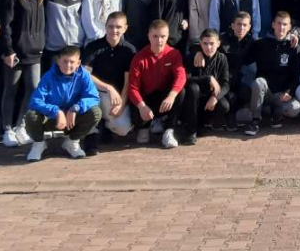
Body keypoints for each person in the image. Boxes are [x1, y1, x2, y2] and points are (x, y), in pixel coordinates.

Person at [23, 45, 102, 161]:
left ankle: (72, 141)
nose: (68, 65)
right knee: (31, 115)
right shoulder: (48, 77)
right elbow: (35, 101)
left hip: (72, 119)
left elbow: (93, 97)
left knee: (95, 112)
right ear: (58, 61)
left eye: (72, 62)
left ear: (78, 63)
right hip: (51, 119)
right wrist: (57, 111)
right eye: (65, 61)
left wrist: (75, 108)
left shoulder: (83, 75)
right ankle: (39, 143)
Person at [0, 0, 46, 147]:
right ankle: (7, 128)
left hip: (35, 52)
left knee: (33, 88)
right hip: (16, 53)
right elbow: (6, 25)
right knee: (11, 89)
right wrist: (8, 50)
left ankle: (20, 125)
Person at [129, 18, 188, 148]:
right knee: (142, 140)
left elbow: (181, 75)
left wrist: (172, 96)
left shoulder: (174, 54)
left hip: (164, 99)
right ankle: (144, 126)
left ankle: (168, 131)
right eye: (155, 36)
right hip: (146, 99)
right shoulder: (139, 58)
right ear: (149, 36)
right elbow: (132, 88)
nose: (159, 40)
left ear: (168, 36)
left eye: (163, 36)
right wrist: (142, 106)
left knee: (181, 92)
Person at [82, 12, 135, 153]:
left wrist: (123, 103)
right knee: (88, 104)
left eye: (118, 27)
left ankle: (106, 127)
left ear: (125, 28)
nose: (114, 30)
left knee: (123, 128)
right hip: (94, 92)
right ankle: (90, 136)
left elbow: (127, 81)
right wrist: (108, 87)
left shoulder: (129, 50)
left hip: (116, 96)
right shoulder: (93, 47)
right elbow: (85, 75)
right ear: (105, 27)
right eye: (110, 26)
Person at [247, 10, 300, 133]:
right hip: (265, 91)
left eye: (285, 24)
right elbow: (244, 58)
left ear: (289, 27)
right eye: (278, 23)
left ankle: (275, 112)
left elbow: (297, 74)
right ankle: (255, 121)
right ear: (273, 25)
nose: (281, 27)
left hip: (281, 95)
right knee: (258, 82)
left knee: (295, 109)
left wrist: (290, 91)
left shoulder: (294, 46)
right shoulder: (260, 44)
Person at [182, 28, 231, 142]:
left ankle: (204, 123)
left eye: (212, 43)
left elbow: (226, 83)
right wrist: (208, 78)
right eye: (205, 43)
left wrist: (215, 97)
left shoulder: (222, 58)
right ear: (200, 43)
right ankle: (191, 129)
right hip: (194, 99)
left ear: (218, 43)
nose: (208, 47)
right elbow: (185, 79)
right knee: (193, 89)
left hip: (209, 98)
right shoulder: (192, 57)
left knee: (224, 106)